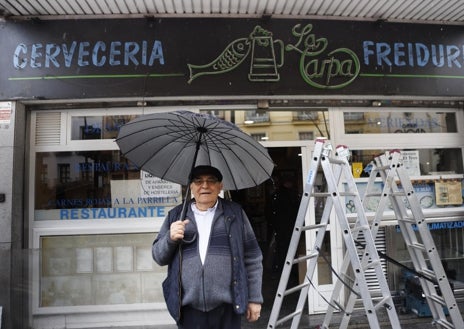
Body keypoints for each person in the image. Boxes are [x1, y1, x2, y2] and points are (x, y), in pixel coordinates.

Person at [152, 165, 263, 329]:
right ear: (190, 186)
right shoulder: (176, 216)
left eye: (211, 181)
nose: (205, 186)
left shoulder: (235, 214)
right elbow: (158, 257)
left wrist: (254, 299)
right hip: (189, 310)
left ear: (220, 186)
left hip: (228, 308)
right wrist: (170, 238)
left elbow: (253, 258)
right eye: (198, 181)